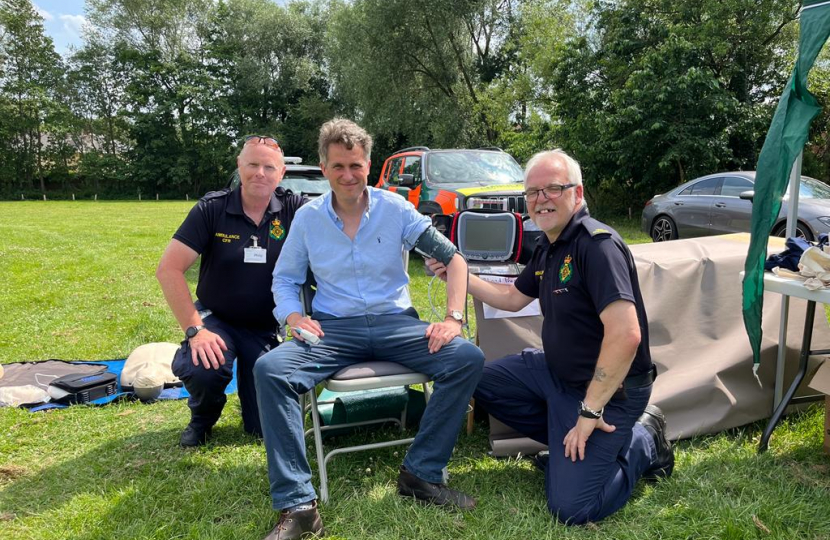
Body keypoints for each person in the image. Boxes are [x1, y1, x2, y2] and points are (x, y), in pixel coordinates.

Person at [254, 118, 485, 540]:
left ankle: (421, 474)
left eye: (356, 165)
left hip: (395, 324)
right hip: (333, 329)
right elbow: (285, 279)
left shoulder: (396, 209)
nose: (347, 175)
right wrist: (292, 317)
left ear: (369, 165)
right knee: (271, 370)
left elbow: (454, 260)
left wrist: (453, 318)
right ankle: (299, 506)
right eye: (338, 166)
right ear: (323, 168)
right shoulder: (307, 219)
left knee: (466, 357)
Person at [428, 149, 674, 525]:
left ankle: (643, 439)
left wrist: (590, 411)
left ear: (577, 193)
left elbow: (626, 335)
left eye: (553, 189)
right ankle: (568, 450)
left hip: (609, 391)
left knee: (572, 508)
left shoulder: (597, 246)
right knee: (473, 375)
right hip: (555, 373)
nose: (541, 199)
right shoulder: (549, 245)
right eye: (533, 192)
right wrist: (456, 275)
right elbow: (511, 298)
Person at [156, 136, 305, 447]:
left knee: (260, 429)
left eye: (269, 167)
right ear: (239, 166)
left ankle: (253, 408)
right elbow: (168, 270)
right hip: (217, 319)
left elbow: (341, 220)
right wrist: (195, 330)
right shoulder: (212, 209)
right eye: (252, 164)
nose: (260, 173)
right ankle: (202, 419)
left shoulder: (295, 210)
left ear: (281, 174)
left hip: (265, 328)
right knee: (205, 366)